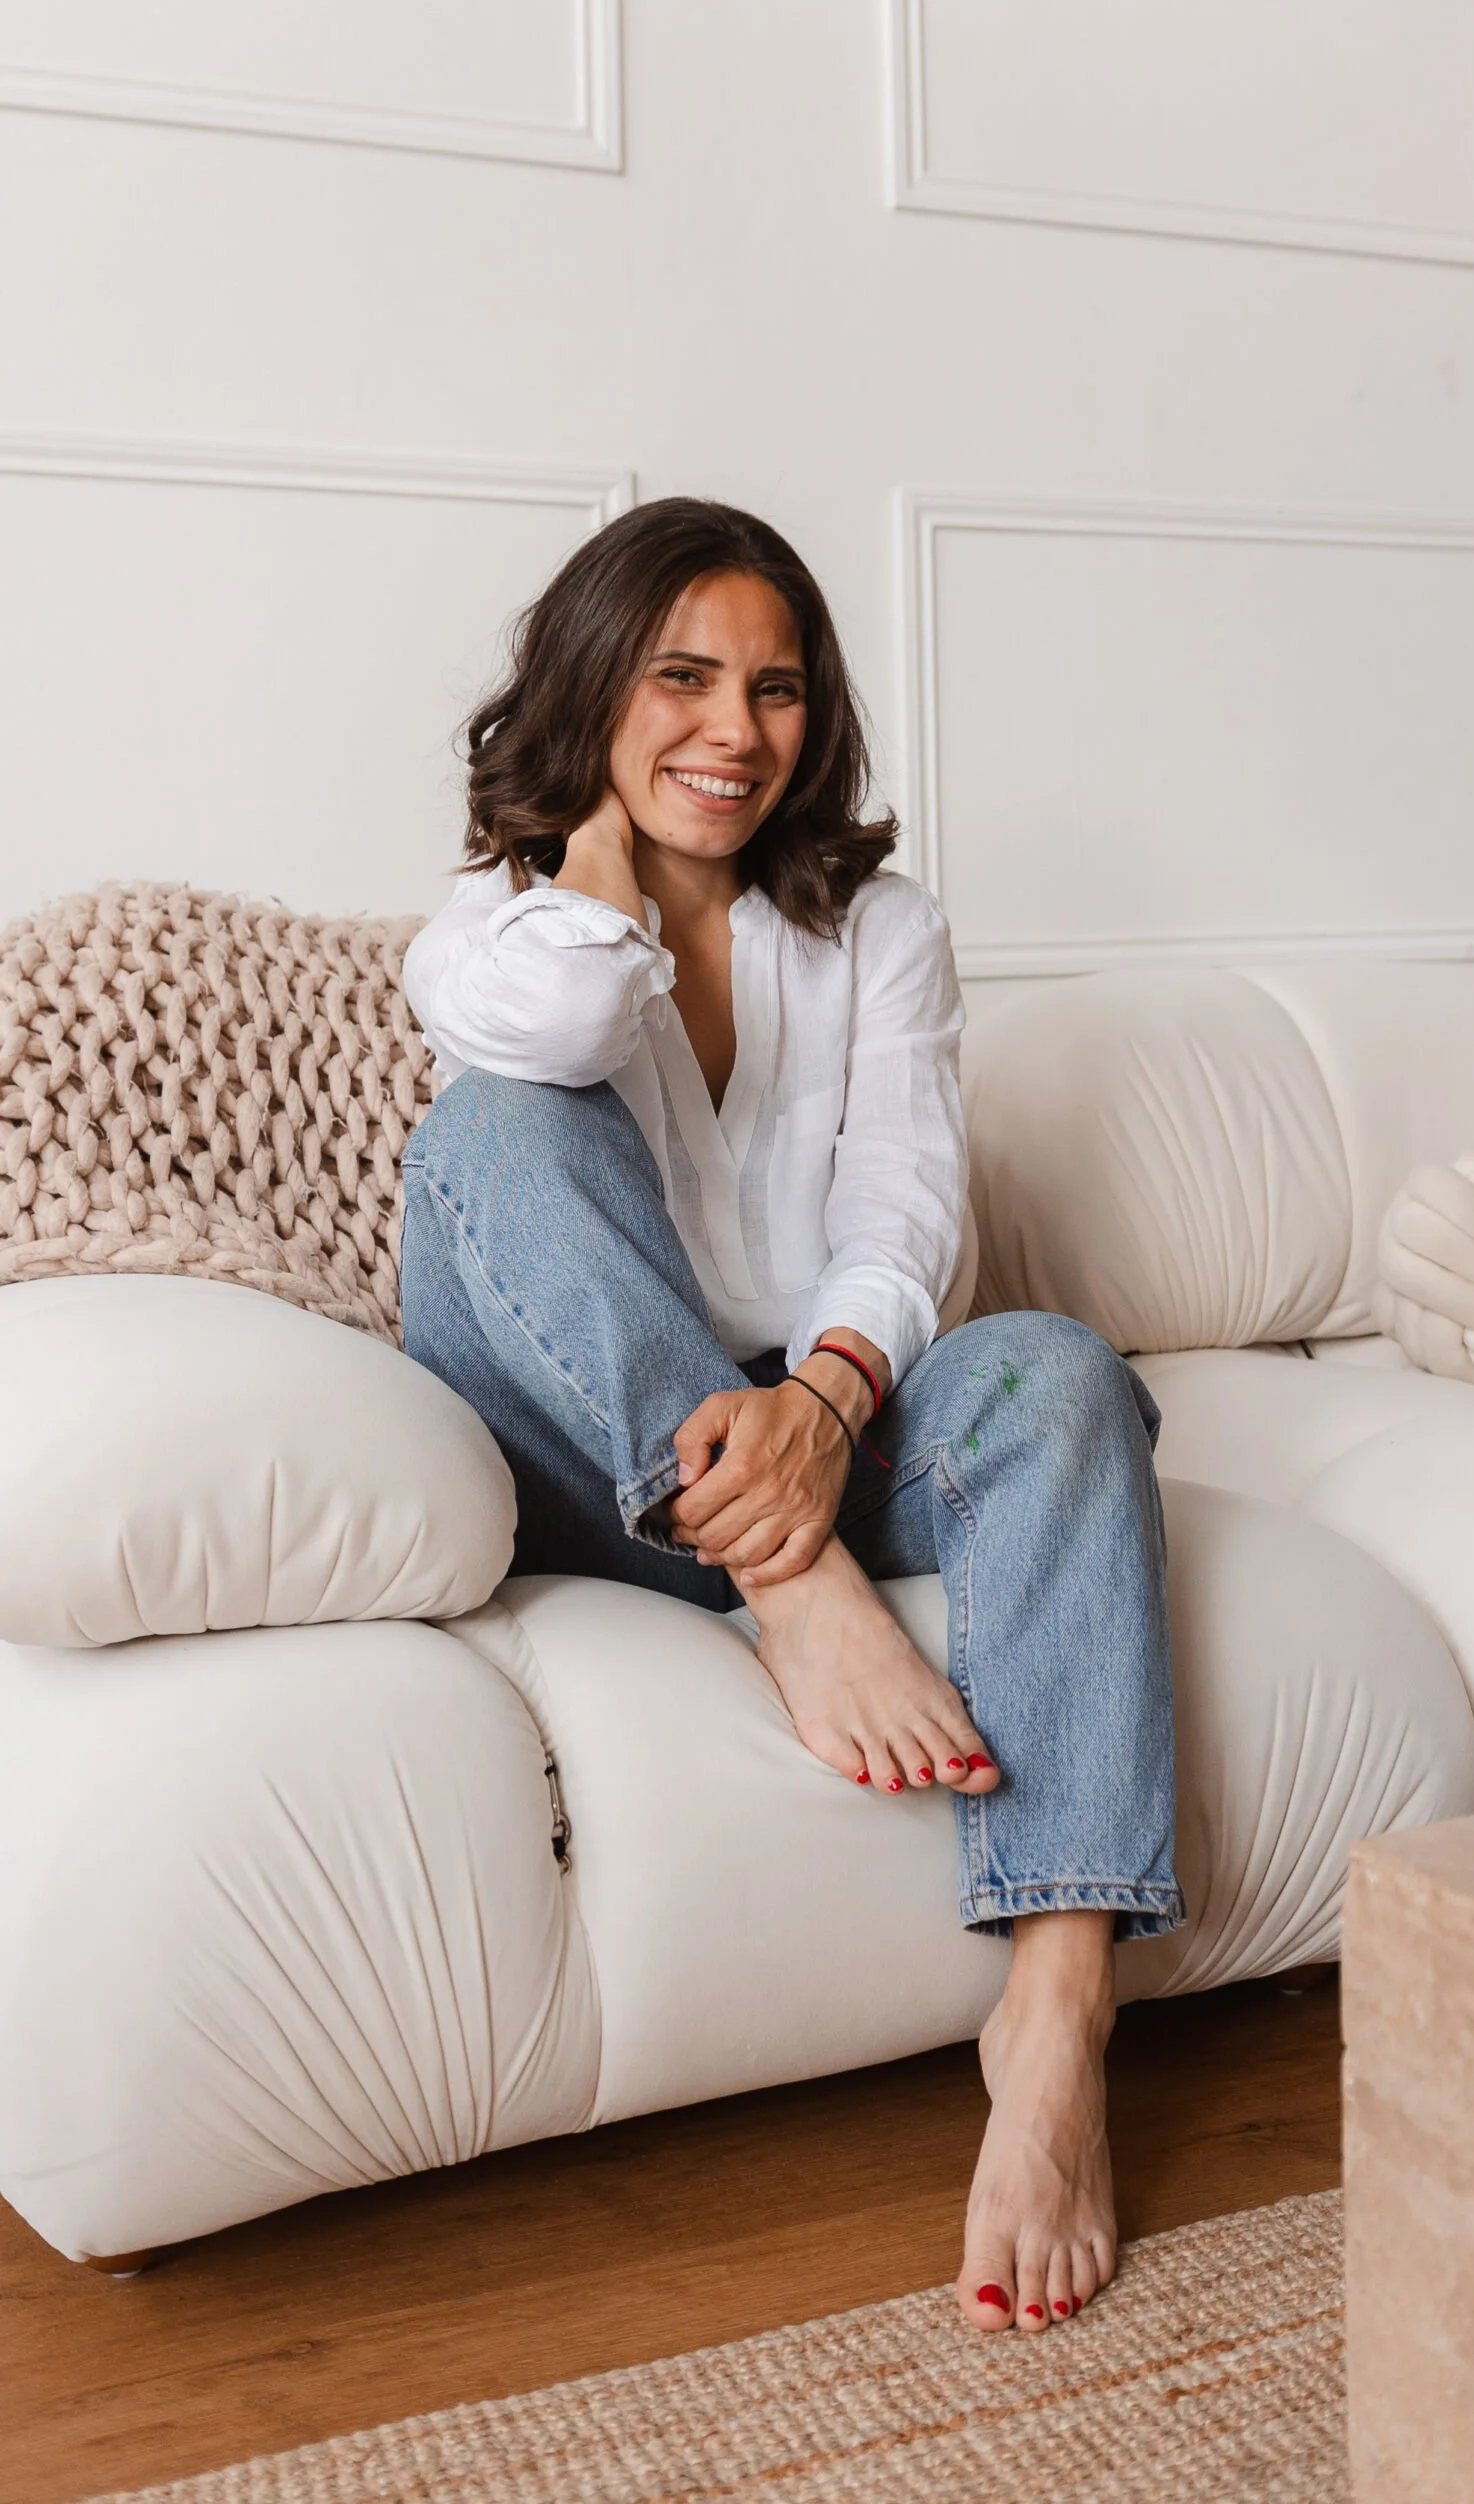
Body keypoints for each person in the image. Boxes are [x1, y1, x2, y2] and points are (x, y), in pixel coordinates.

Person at [399, 497, 1181, 2335]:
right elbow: (540, 1047)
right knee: (493, 1128)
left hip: (797, 1411)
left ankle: (1056, 2021)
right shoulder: (492, 933)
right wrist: (601, 871)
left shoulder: (876, 929)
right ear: (593, 692)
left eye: (773, 687)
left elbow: (909, 1203)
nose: (733, 731)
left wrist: (828, 1407)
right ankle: (788, 1597)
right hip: (582, 1457)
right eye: (678, 679)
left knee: (1057, 1366)